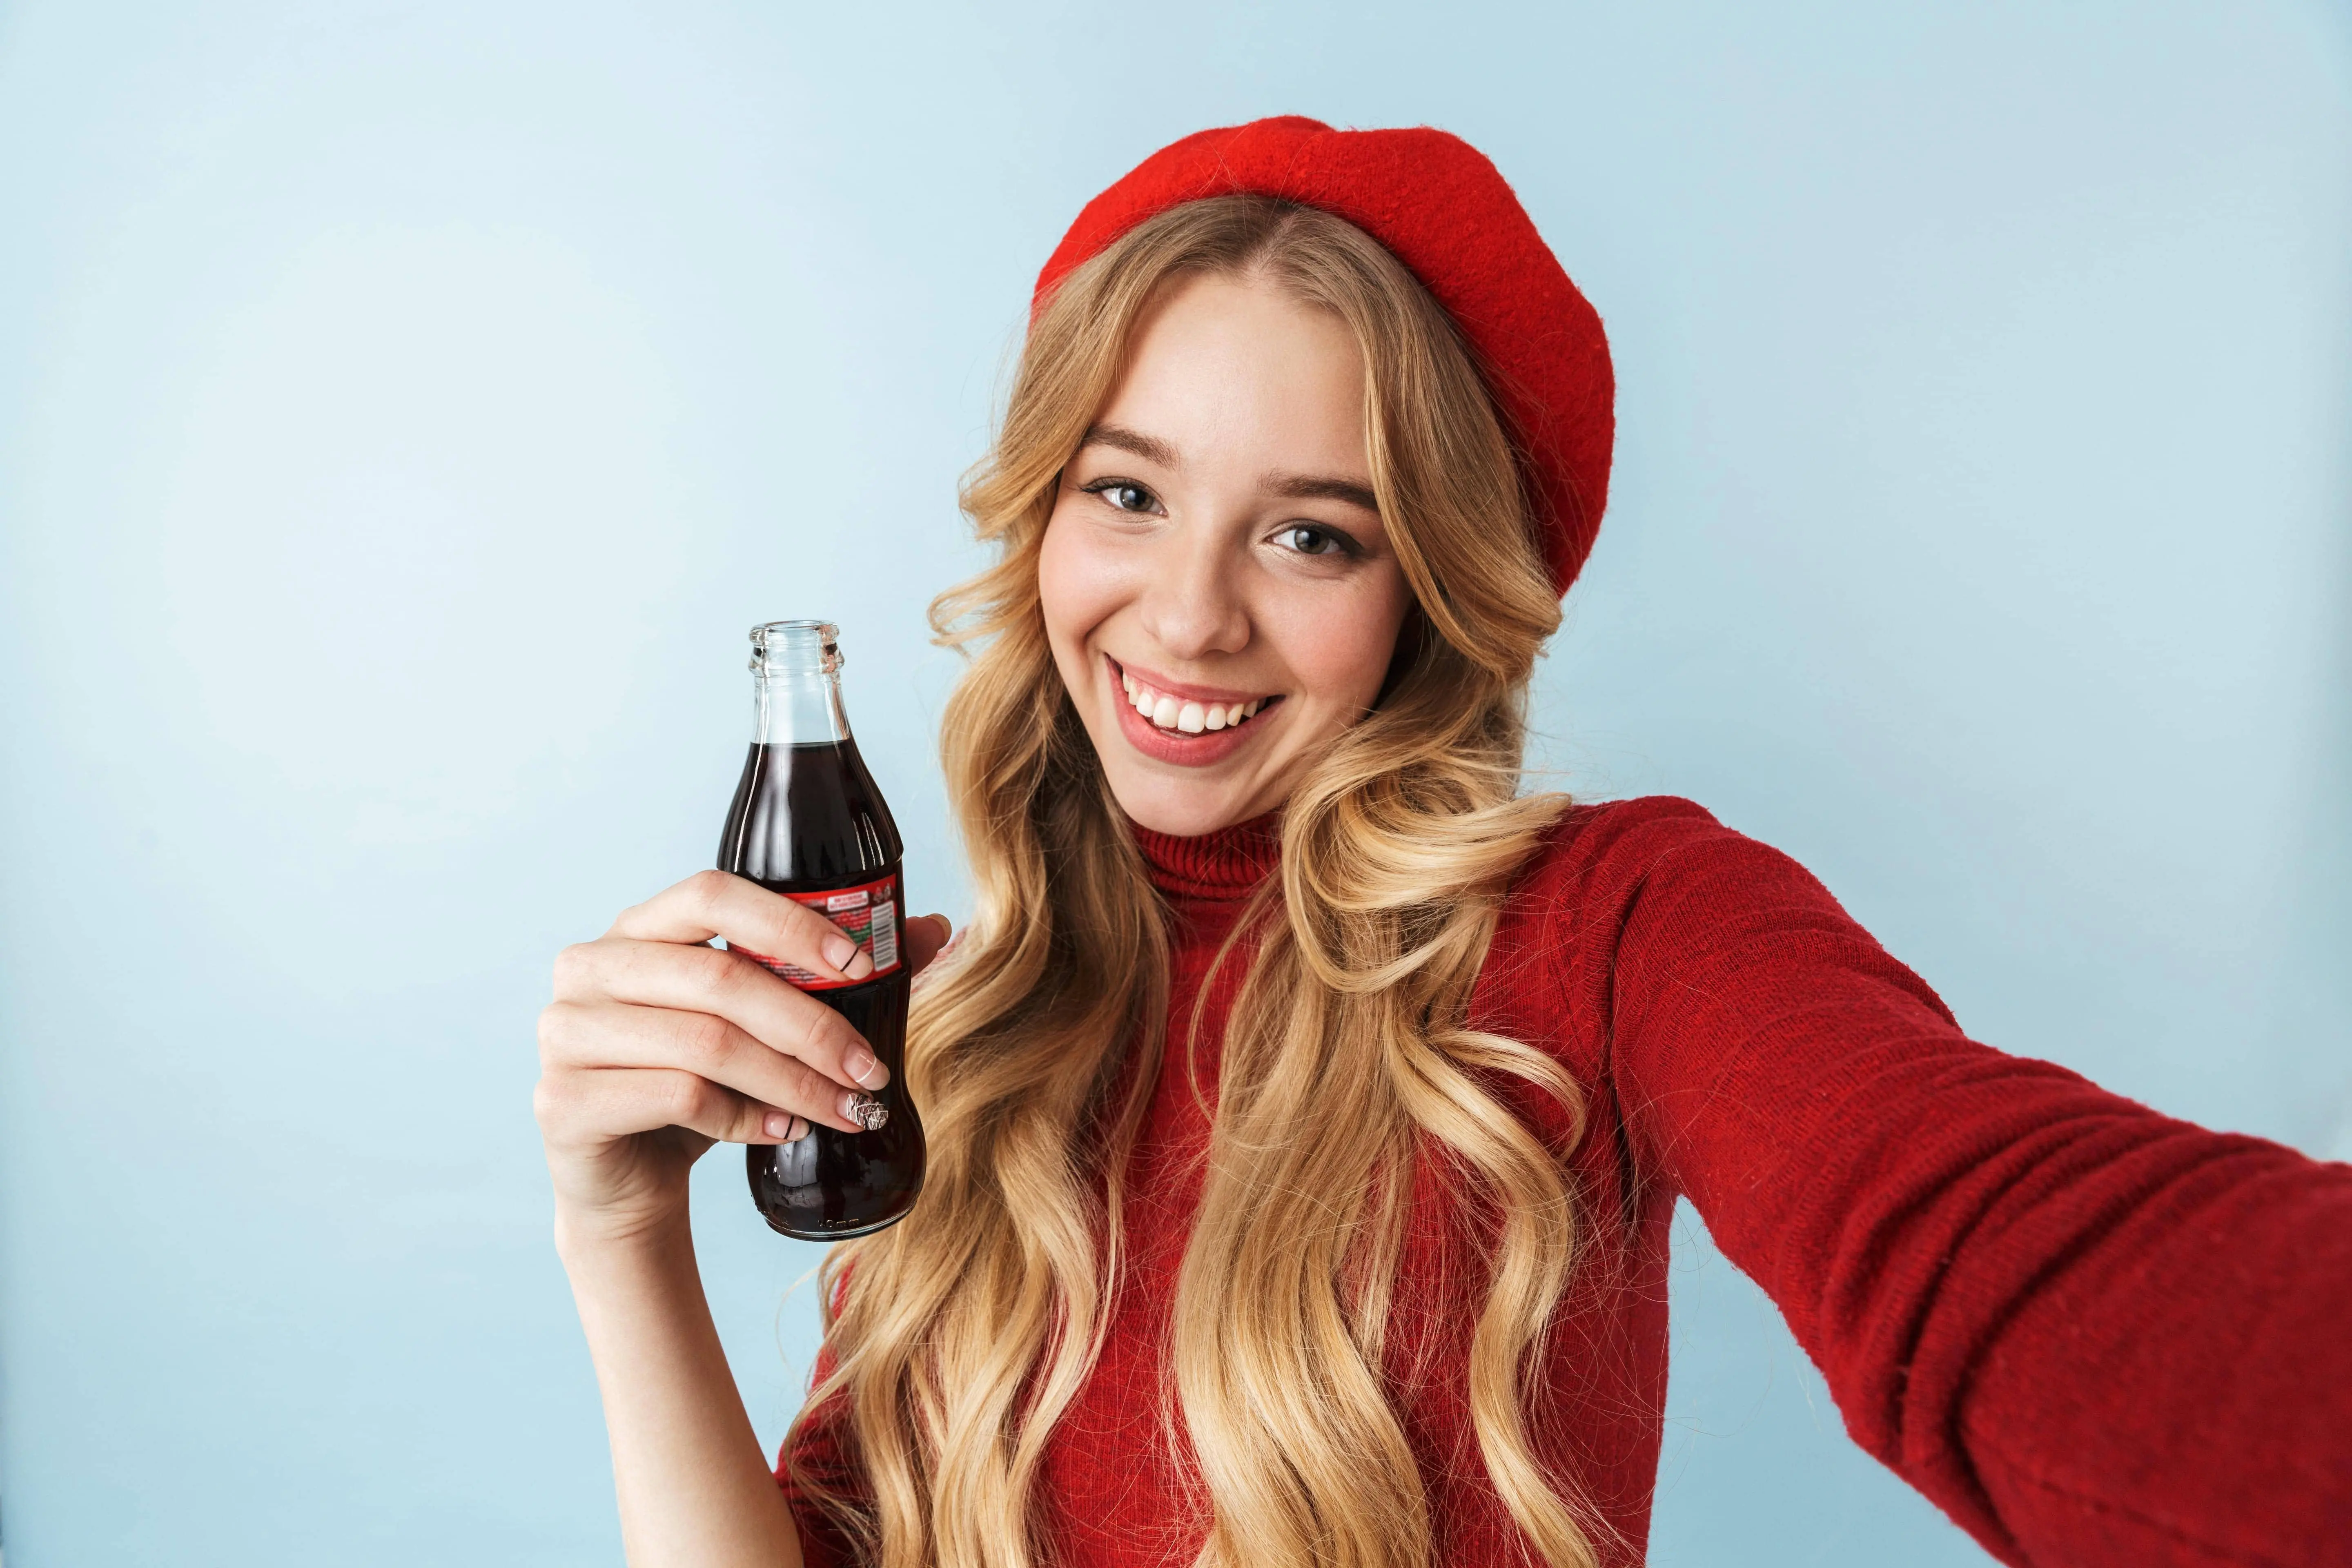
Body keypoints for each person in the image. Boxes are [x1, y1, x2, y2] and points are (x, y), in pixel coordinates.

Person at [533, 118, 2352, 1568]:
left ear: (1435, 593)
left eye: (1311, 535)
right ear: (1043, 515)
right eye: (1129, 491)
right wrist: (619, 1235)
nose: (1185, 619)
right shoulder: (969, 1023)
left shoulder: (1619, 926)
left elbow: (1988, 1253)